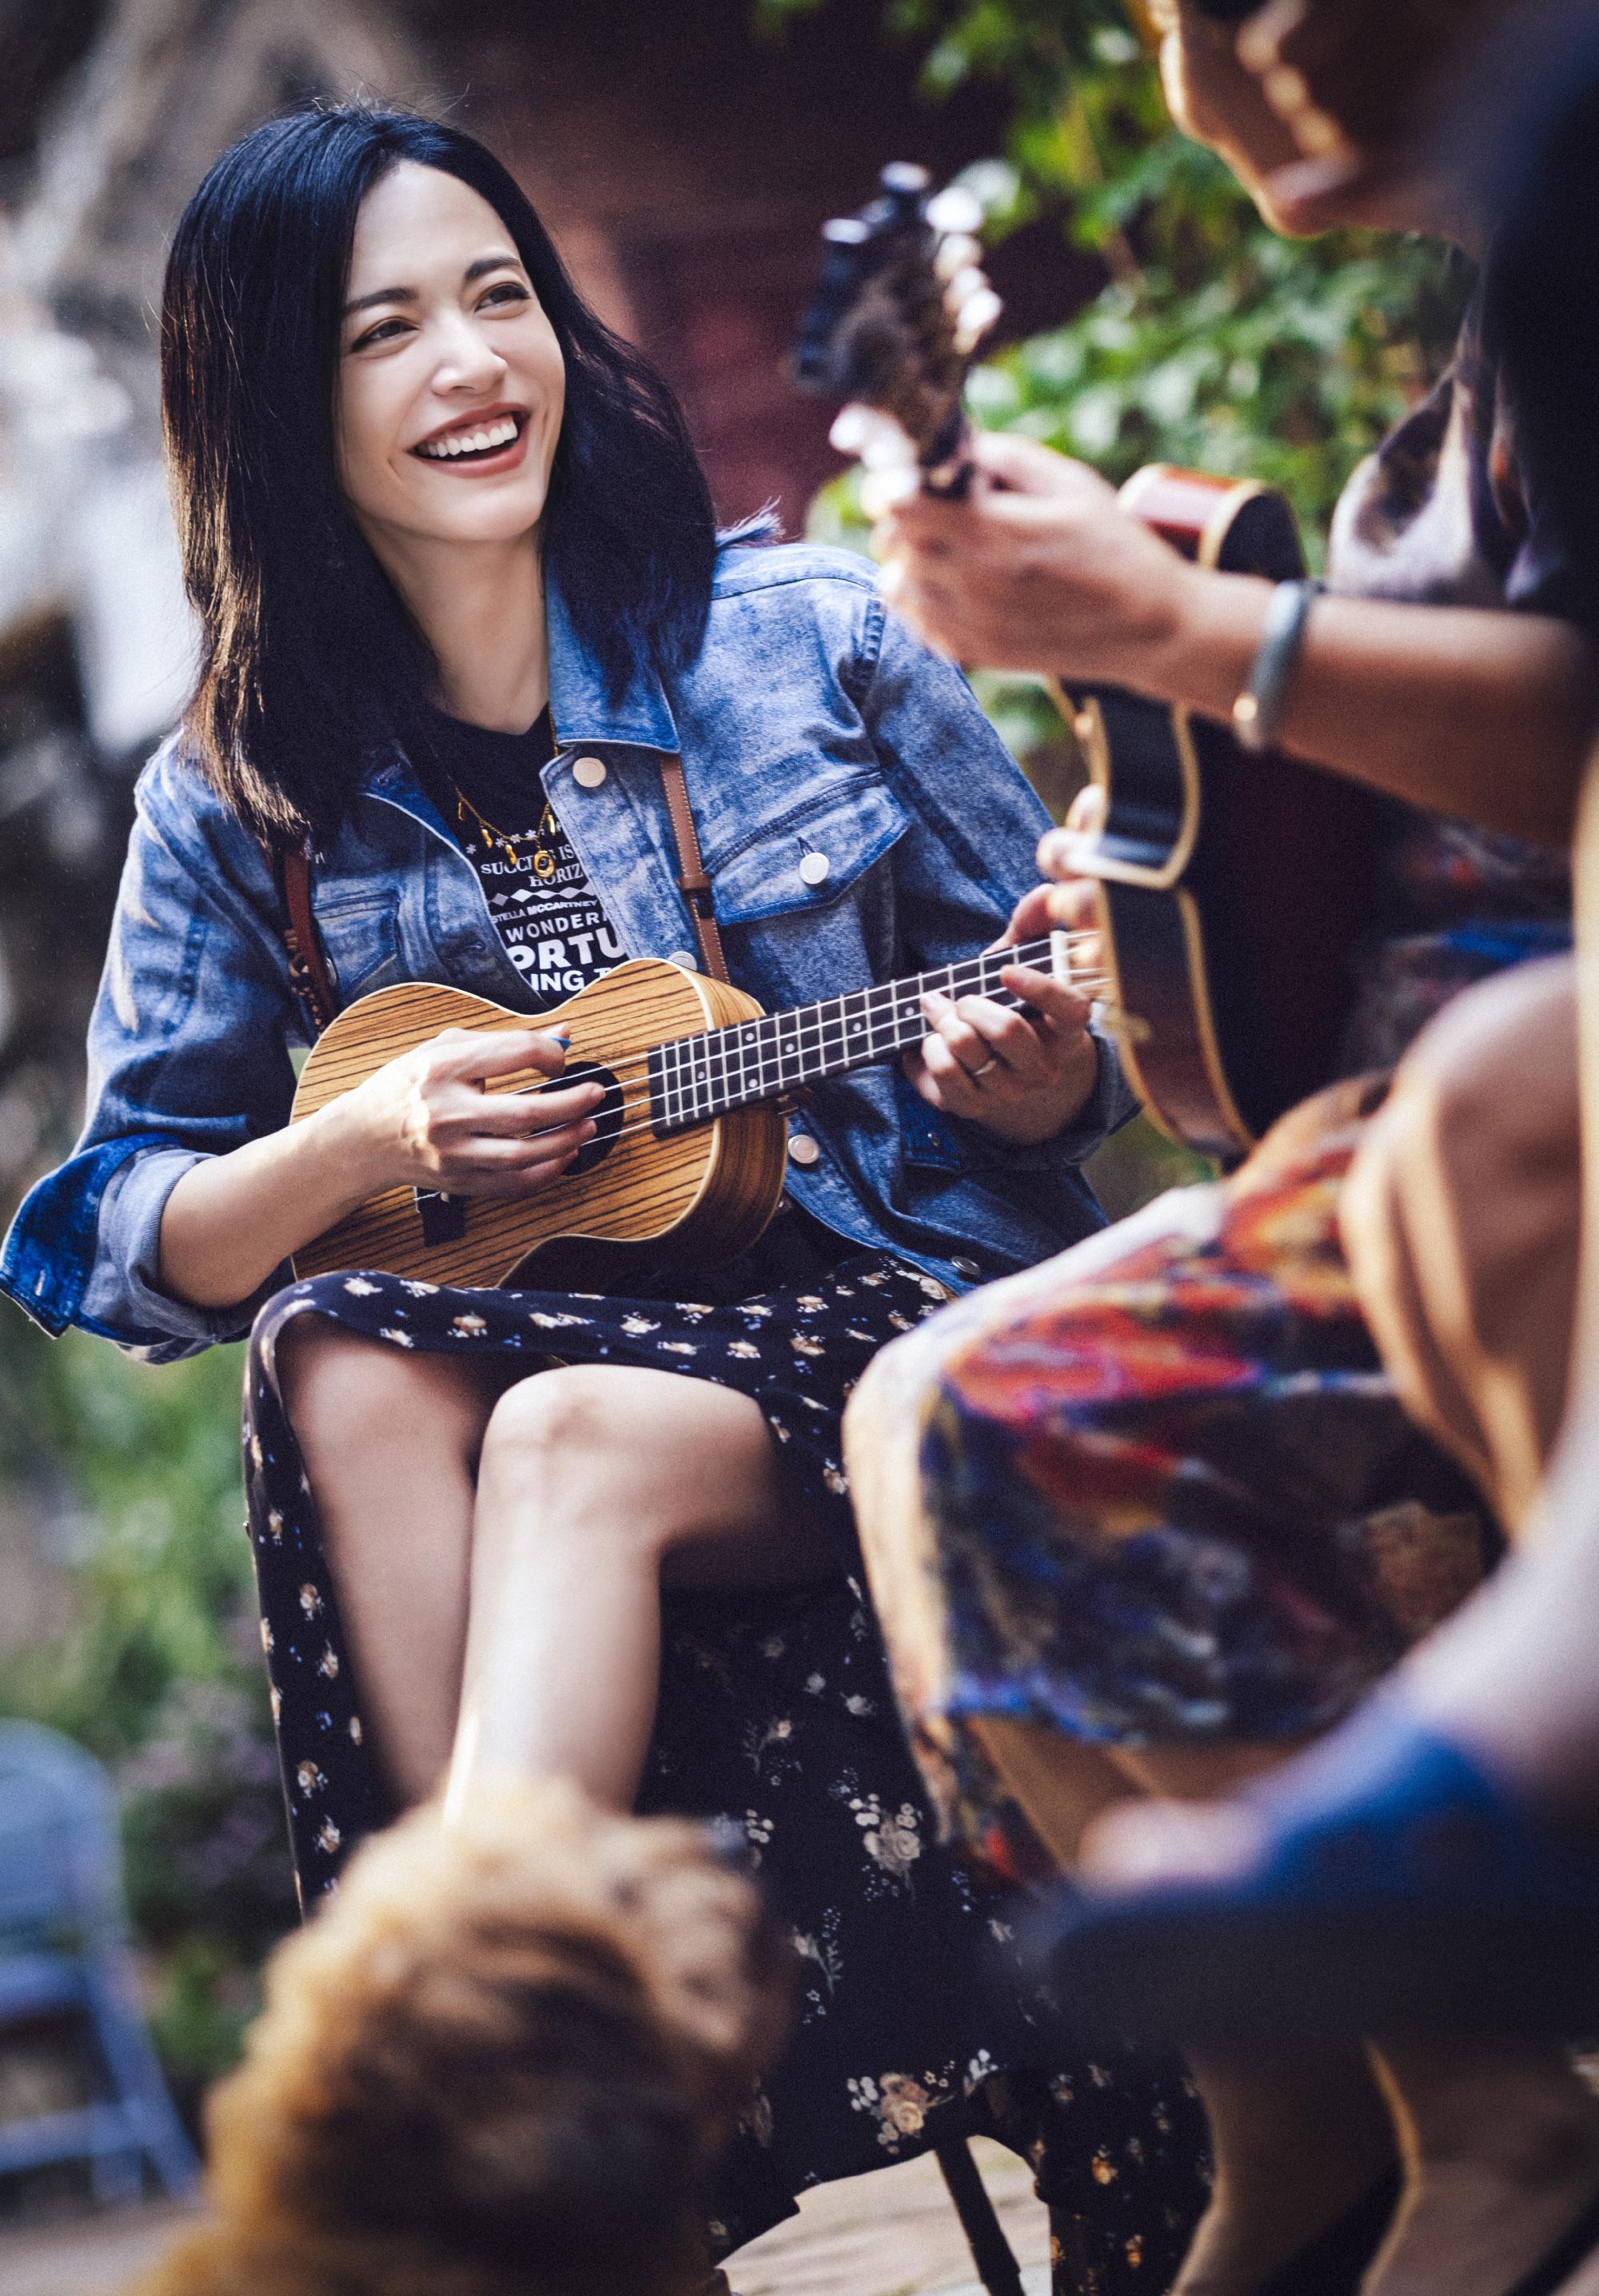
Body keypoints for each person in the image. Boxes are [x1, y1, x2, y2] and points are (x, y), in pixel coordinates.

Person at [0, 102, 1212, 2278]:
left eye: (500, 297)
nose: (473, 364)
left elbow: (1098, 1024)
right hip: (587, 1374)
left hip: (907, 1322)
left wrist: (1034, 1081)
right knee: (341, 1344)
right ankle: (548, 2153)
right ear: (279, 403)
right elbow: (102, 1233)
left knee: (551, 1429)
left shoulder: (816, 637)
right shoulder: (242, 802)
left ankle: (461, 2114)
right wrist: (362, 1146)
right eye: (387, 329)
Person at [843, 7, 1599, 2296]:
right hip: (1374, 1139)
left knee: (1485, 1113)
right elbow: (1244, 1048)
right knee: (946, 1406)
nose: (1207, 56)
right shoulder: (1433, 444)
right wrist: (1156, 884)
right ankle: (1366, 2123)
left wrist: (1188, 635)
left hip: (1513, 1130)